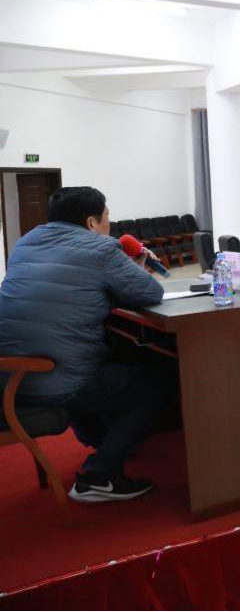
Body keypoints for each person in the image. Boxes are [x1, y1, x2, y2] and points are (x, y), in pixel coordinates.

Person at [0, 186, 175, 502]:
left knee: (107, 362)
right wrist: (138, 268)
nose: (109, 224)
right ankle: (100, 474)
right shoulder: (101, 249)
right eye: (107, 217)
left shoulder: (25, 244)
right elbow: (150, 293)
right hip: (54, 380)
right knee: (160, 380)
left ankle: (108, 443)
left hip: (12, 377)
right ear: (92, 222)